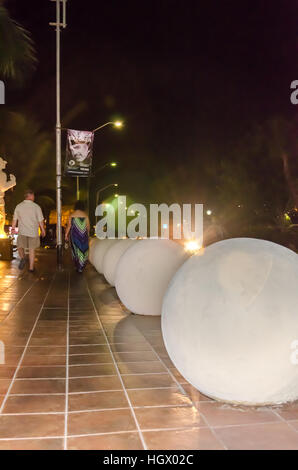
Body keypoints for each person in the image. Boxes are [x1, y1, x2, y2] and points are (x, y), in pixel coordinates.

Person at [11, 189, 45, 272]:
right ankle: (31, 268)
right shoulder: (36, 207)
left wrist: (13, 228)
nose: (34, 197)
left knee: (19, 247)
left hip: (22, 231)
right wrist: (43, 230)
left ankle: (23, 258)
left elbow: (15, 219)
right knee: (31, 249)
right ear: (30, 196)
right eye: (33, 196)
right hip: (33, 232)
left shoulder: (18, 206)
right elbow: (40, 220)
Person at [65, 200, 90, 273]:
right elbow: (88, 226)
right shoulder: (85, 215)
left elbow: (69, 226)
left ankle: (77, 265)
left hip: (74, 235)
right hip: (83, 235)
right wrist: (87, 234)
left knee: (75, 250)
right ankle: (81, 266)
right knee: (83, 250)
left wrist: (66, 235)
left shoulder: (71, 215)